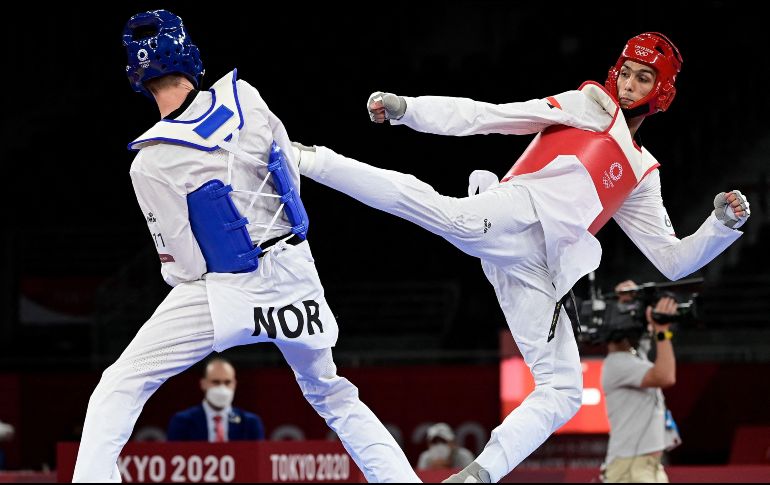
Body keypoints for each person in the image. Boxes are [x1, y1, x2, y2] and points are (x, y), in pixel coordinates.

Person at [291, 32, 749, 483]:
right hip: (515, 210)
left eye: (643, 78)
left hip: (540, 266)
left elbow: (672, 261)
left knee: (564, 390)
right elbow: (490, 115)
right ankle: (313, 160)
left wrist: (721, 225)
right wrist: (408, 109)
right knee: (450, 217)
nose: (628, 85)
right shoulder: (587, 104)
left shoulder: (643, 174)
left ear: (662, 92)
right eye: (625, 73)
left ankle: (476, 476)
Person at [72, 10, 418, 483]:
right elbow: (289, 177)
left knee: (121, 384)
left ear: (136, 75)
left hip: (226, 289)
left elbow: (185, 264)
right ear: (189, 55)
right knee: (332, 392)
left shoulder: (151, 162)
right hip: (295, 270)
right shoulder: (246, 97)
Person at [601, 282, 683, 483]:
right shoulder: (617, 363)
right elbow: (666, 376)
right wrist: (662, 330)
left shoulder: (636, 357)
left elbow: (644, 333)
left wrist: (634, 299)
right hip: (630, 469)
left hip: (649, 466)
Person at [167, 357, 264, 442]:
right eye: (216, 382)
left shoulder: (249, 423)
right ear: (203, 384)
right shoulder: (182, 422)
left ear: (234, 384)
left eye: (227, 382)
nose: (222, 388)